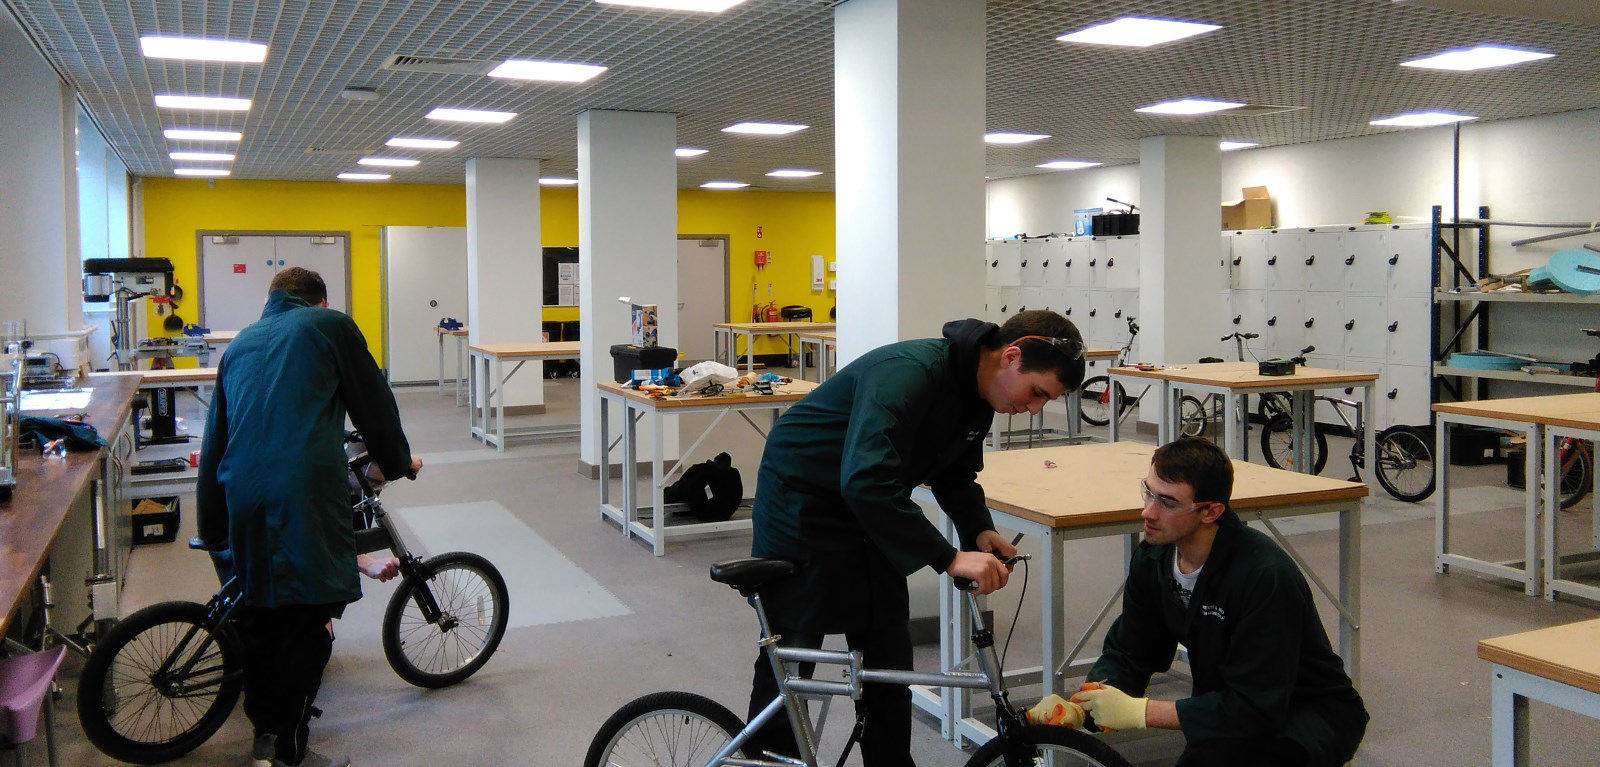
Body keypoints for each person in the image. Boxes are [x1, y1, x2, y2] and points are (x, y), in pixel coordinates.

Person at [745, 310, 1087, 765]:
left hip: (870, 508)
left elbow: (956, 475)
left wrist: (979, 529)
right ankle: (767, 759)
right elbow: (865, 478)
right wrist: (947, 558)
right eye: (1037, 392)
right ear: (1011, 356)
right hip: (802, 501)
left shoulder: (977, 395)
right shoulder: (910, 373)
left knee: (887, 657)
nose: (1034, 408)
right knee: (793, 648)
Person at [198, 267, 419, 767]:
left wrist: (211, 524)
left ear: (272, 299)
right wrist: (398, 462)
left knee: (260, 617)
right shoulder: (330, 327)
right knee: (308, 624)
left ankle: (264, 736)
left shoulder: (239, 344)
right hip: (301, 495)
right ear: (320, 301)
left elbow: (214, 439)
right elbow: (374, 404)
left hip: (243, 496)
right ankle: (289, 751)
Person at [1065, 437, 1368, 767]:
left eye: (1167, 503)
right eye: (1148, 492)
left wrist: (1144, 711)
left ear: (1210, 511)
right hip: (1231, 704)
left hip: (1307, 713)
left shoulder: (1264, 576)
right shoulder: (1154, 558)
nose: (1147, 512)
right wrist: (1084, 703)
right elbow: (1132, 651)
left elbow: (1257, 706)